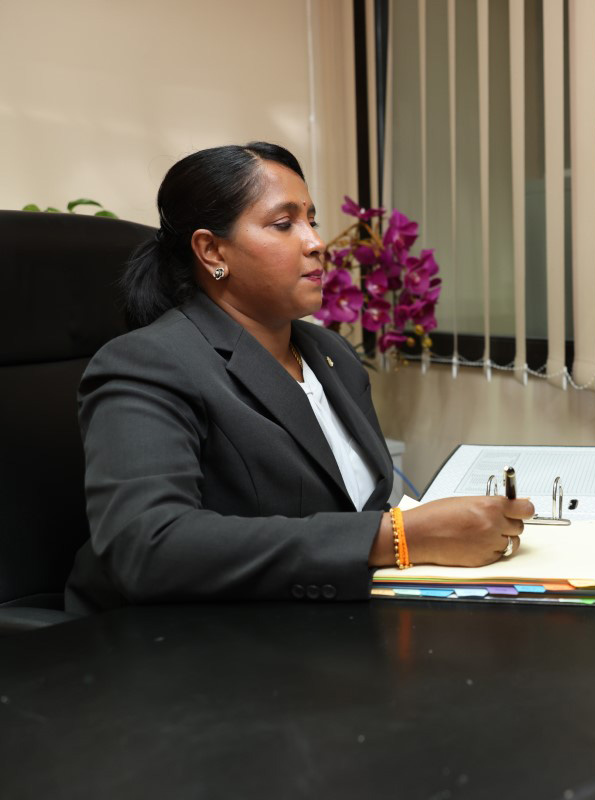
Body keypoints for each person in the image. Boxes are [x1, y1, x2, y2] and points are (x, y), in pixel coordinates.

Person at [64, 142, 533, 614]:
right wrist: (395, 538)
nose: (315, 243)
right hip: (186, 649)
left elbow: (354, 506)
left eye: (313, 220)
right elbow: (145, 547)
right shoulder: (148, 362)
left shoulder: (330, 353)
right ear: (211, 251)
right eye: (284, 224)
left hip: (324, 620)